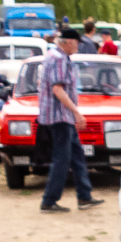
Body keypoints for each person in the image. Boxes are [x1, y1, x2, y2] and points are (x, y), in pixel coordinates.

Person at [37, 29, 103, 214]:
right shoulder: (58, 58)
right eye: (76, 42)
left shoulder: (57, 56)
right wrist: (76, 113)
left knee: (76, 155)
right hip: (60, 117)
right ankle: (49, 201)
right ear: (66, 42)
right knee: (62, 158)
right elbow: (58, 89)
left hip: (61, 116)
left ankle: (84, 196)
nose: (78, 45)